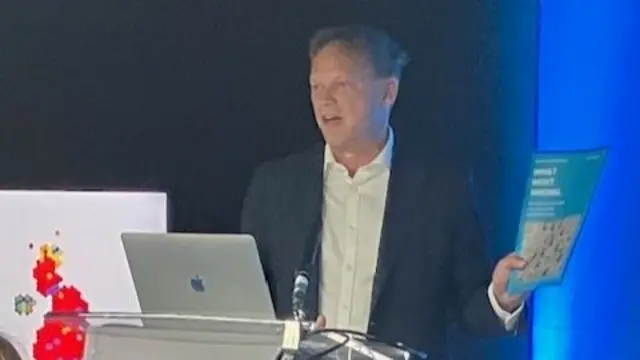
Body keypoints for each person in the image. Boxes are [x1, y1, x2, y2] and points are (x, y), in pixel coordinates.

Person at [241, 24, 529, 359]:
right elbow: (248, 303)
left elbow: (468, 308)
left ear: (388, 92)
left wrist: (501, 298)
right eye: (316, 87)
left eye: (341, 85)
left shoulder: (439, 191)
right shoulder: (277, 186)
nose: (324, 100)